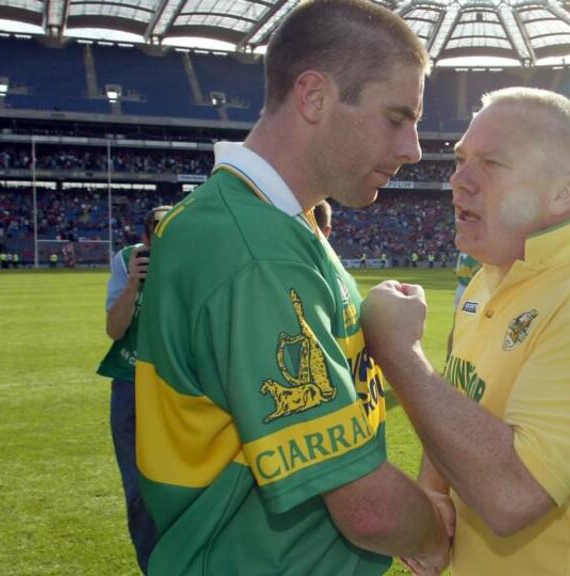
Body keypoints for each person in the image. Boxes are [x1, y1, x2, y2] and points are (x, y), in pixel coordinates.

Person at [134, 1, 449, 575]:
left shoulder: (273, 222)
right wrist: (432, 537)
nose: (414, 149)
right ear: (314, 96)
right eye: (397, 118)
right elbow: (369, 509)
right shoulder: (255, 253)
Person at [362, 87, 570, 576]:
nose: (459, 180)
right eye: (461, 160)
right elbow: (459, 400)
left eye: (492, 164)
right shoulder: (493, 274)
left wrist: (399, 354)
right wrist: (433, 494)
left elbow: (513, 496)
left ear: (563, 192)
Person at [96, 205, 172, 574]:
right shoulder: (127, 261)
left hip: (178, 388)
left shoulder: (197, 261)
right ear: (145, 238)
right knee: (139, 493)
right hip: (131, 385)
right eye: (155, 234)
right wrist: (132, 286)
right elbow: (114, 330)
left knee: (189, 486)